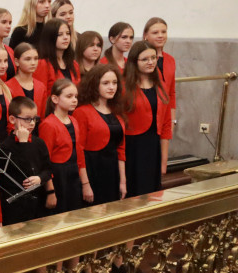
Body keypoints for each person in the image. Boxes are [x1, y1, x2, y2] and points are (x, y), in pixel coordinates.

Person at [122, 40, 171, 196]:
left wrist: (163, 161)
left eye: (153, 58)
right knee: (134, 195)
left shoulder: (160, 83)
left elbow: (166, 124)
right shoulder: (124, 86)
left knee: (152, 194)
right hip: (132, 147)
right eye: (145, 59)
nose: (151, 62)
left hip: (153, 146)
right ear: (134, 62)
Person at [75, 64, 126, 205]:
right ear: (94, 85)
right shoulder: (82, 112)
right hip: (93, 170)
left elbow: (121, 149)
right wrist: (85, 184)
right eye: (106, 83)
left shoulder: (116, 109)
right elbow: (79, 150)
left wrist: (122, 181)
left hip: (112, 171)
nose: (111, 87)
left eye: (114, 83)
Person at [0, 97, 53, 225]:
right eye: (27, 119)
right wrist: (23, 144)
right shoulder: (5, 146)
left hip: (37, 201)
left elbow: (48, 169)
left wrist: (40, 178)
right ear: (12, 119)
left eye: (34, 118)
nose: (32, 123)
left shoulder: (39, 143)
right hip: (16, 204)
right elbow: (24, 171)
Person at [39, 79, 88, 213]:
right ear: (55, 99)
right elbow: (44, 162)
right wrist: (50, 192)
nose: (74, 100)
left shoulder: (74, 121)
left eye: (76, 96)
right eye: (69, 96)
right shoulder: (48, 125)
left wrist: (85, 184)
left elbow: (80, 155)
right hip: (58, 177)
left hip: (73, 176)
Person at [143, 17, 176, 123]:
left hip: (165, 116)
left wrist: (172, 120)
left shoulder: (170, 60)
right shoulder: (140, 59)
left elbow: (171, 93)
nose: (160, 35)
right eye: (155, 32)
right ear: (146, 36)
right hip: (146, 114)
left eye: (163, 32)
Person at [35, 18, 79, 94]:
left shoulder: (74, 64)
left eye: (68, 33)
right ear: (50, 37)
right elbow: (40, 94)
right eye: (60, 34)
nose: (66, 37)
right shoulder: (42, 64)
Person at [8, 43, 47, 118]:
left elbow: (42, 115)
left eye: (36, 59)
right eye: (28, 59)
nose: (33, 63)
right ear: (16, 61)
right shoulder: (8, 87)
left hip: (36, 127)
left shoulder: (41, 86)